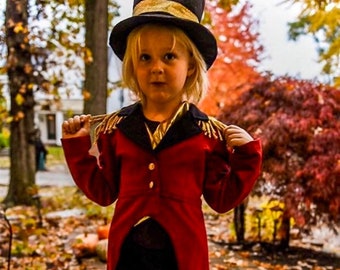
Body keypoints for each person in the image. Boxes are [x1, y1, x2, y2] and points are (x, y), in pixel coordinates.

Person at [61, 0, 262, 269]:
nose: (156, 67)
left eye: (169, 56)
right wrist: (77, 147)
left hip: (182, 256)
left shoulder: (208, 135)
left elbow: (222, 200)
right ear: (133, 66)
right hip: (127, 255)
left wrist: (247, 158)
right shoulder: (117, 129)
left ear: (190, 65)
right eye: (145, 57)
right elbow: (103, 192)